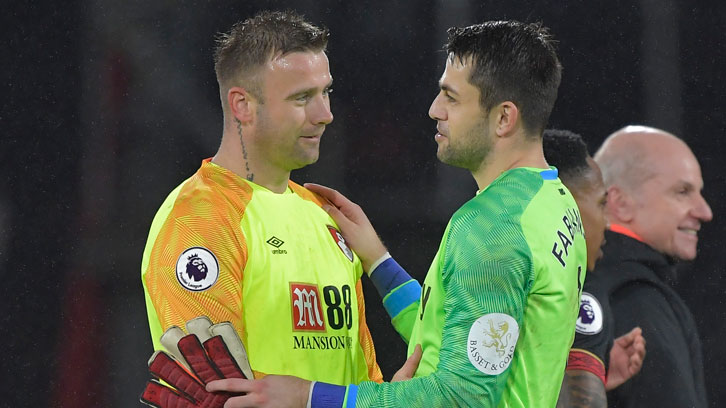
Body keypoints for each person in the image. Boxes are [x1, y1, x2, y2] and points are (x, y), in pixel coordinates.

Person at [207, 20, 587, 407]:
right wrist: (378, 260)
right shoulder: (555, 202)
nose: (434, 109)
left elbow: (462, 397)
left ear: (504, 118)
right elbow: (453, 335)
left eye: (451, 98)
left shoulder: (491, 228)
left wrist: (310, 396)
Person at [140, 10, 383, 389]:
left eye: (326, 92)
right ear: (243, 106)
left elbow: (364, 383)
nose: (326, 115)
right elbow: (222, 391)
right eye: (303, 97)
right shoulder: (200, 219)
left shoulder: (324, 215)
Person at [583, 125, 711, 407]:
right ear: (620, 202)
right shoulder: (637, 298)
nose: (705, 212)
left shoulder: (576, 278)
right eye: (682, 191)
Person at [542, 129, 646, 408]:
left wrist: (592, 372)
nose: (608, 222)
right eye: (601, 203)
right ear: (567, 205)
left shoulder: (486, 258)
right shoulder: (578, 287)